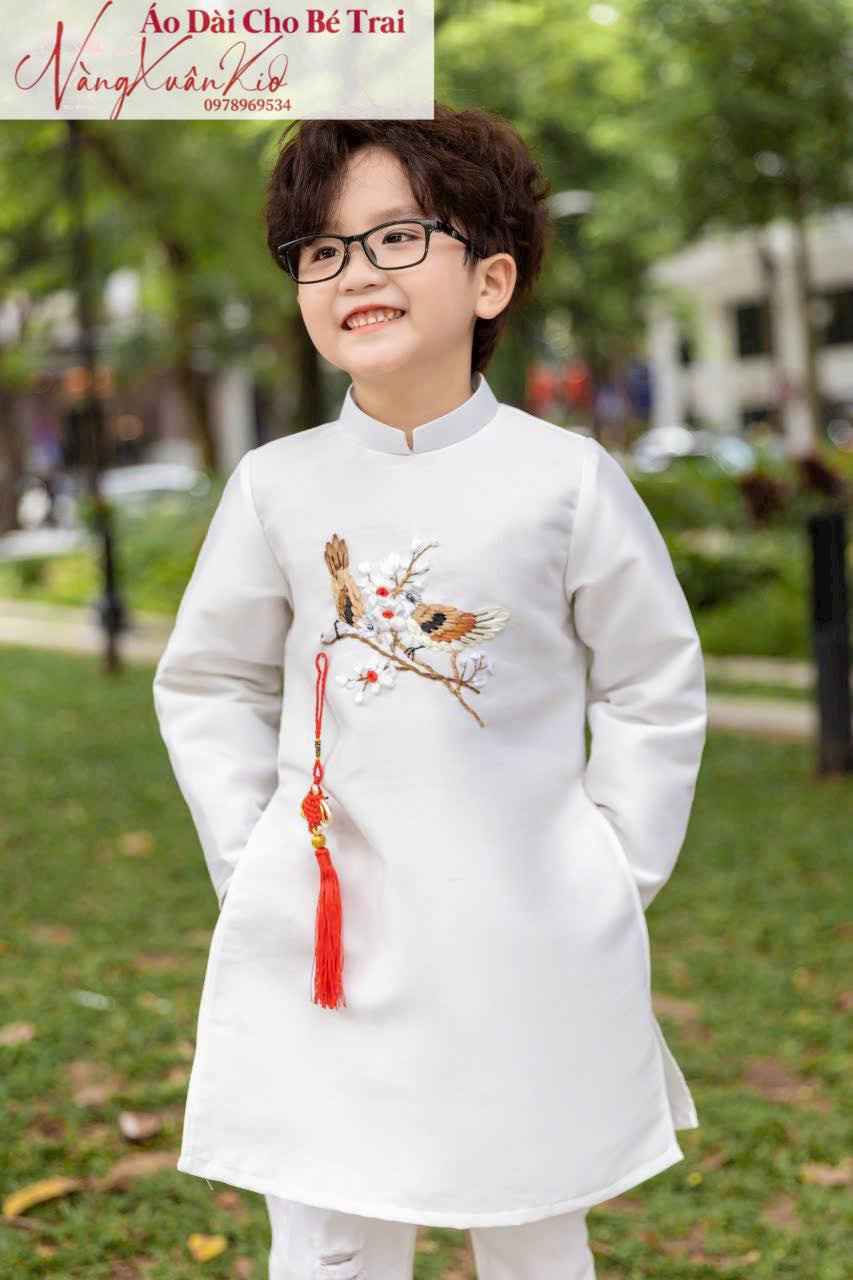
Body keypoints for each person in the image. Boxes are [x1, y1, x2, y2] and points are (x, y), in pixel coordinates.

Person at [152, 102, 707, 1279]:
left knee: (531, 1218)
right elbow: (210, 677)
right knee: (329, 1234)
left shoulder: (565, 482)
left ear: (491, 278)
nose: (354, 271)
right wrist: (254, 851)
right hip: (330, 934)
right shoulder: (275, 486)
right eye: (320, 249)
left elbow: (652, 681)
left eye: (396, 236)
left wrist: (611, 864)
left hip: (523, 927)